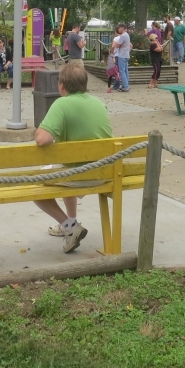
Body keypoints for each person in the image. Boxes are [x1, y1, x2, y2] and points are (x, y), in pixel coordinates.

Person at [33, 64, 112, 253]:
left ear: (61, 86)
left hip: (80, 174)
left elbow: (42, 139)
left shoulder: (62, 104)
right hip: (106, 172)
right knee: (64, 168)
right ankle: (71, 221)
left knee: (36, 186)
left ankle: (69, 227)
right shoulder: (99, 103)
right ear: (85, 84)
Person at [111, 23, 132, 92]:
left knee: (122, 71)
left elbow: (117, 45)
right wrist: (120, 45)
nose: (118, 29)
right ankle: (125, 85)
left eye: (119, 28)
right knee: (125, 71)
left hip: (122, 55)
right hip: (126, 55)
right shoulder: (127, 35)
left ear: (123, 28)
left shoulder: (123, 35)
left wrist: (119, 45)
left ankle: (125, 87)